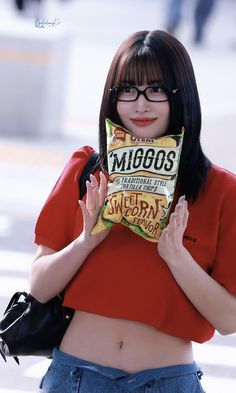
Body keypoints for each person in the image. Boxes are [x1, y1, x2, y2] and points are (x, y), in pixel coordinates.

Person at [30, 30, 236, 393]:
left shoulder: (220, 190)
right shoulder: (86, 171)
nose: (140, 105)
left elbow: (229, 318)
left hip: (169, 382)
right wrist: (85, 242)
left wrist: (176, 256)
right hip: (75, 378)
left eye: (156, 89)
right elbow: (40, 287)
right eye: (127, 90)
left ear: (181, 95)